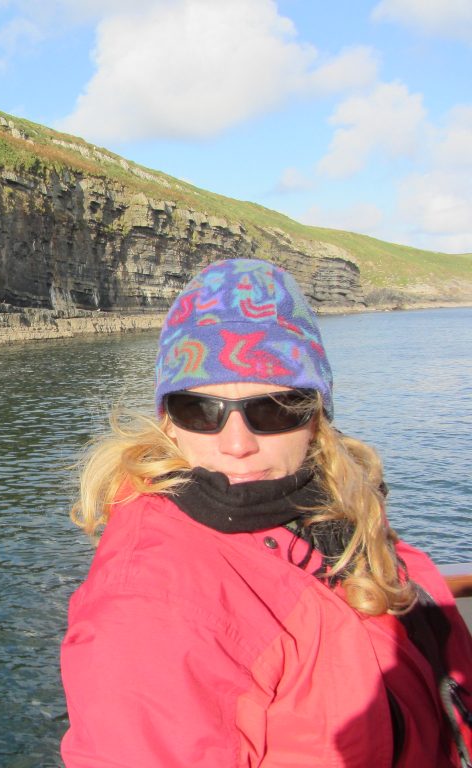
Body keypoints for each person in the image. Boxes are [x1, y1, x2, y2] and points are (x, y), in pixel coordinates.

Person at [60, 258, 472, 767]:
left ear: (316, 415)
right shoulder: (150, 602)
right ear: (169, 423)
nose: (237, 444)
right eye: (200, 409)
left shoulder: (333, 514)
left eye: (273, 408)